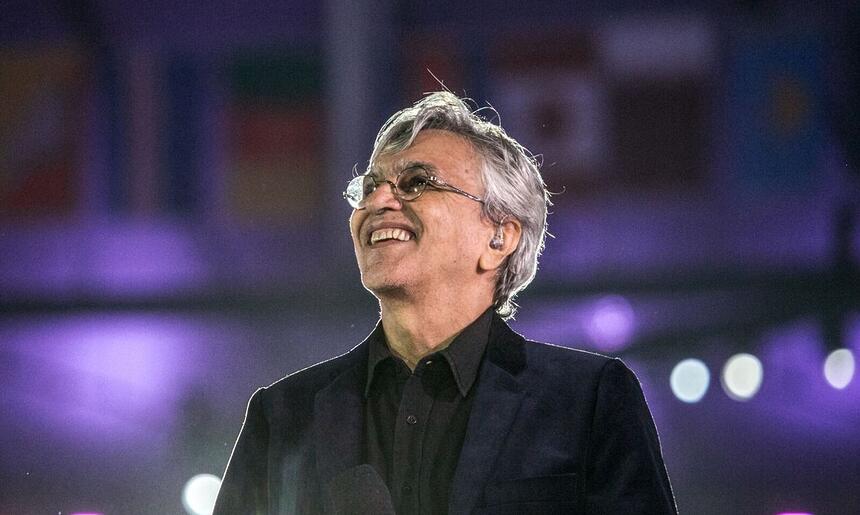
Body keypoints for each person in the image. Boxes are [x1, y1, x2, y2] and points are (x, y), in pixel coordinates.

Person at [213, 91, 677, 514]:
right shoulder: (283, 416)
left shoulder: (588, 402)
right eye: (369, 187)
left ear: (498, 237)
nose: (378, 200)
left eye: (416, 182)